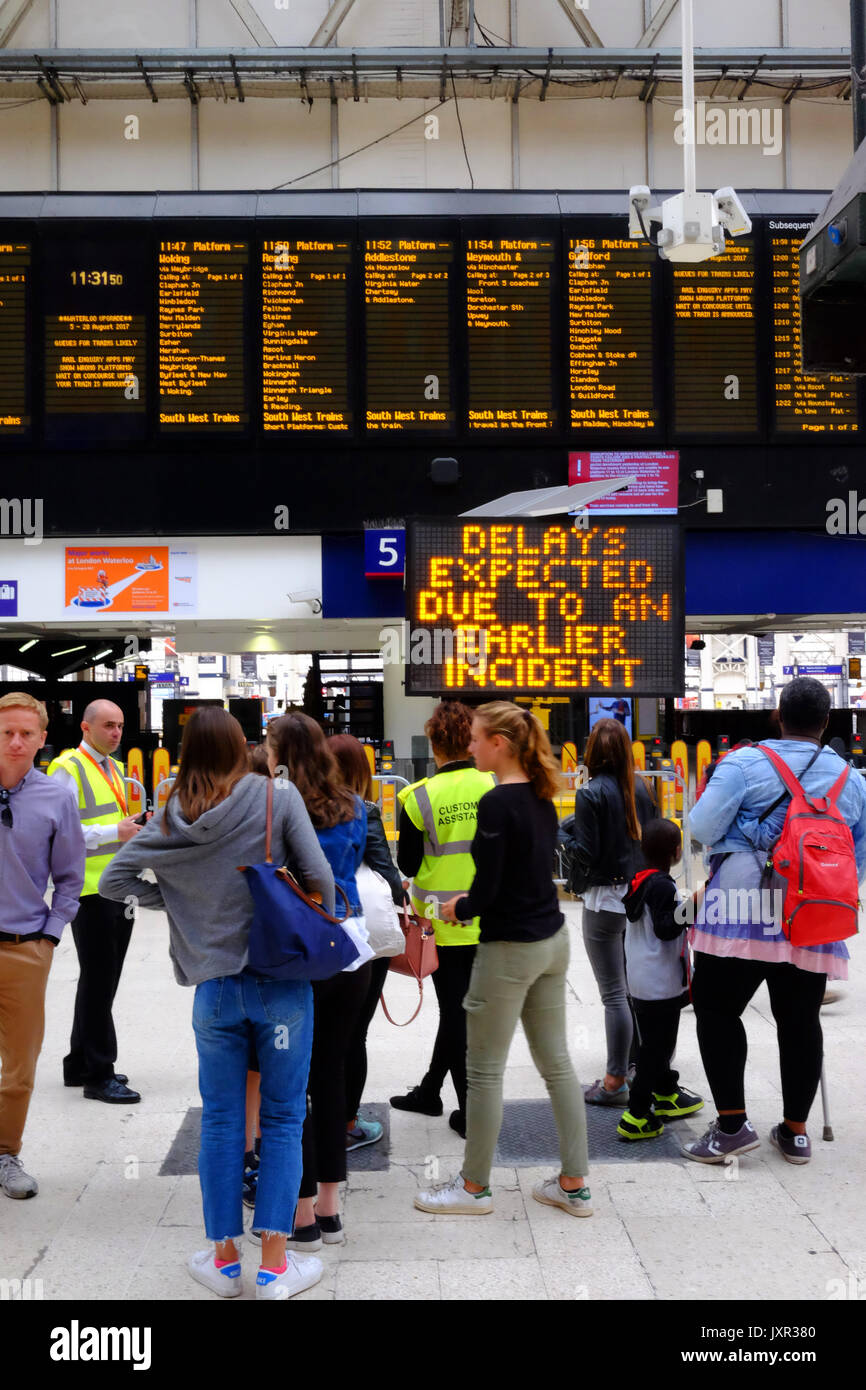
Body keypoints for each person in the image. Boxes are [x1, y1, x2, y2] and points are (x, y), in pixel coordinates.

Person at [99, 706, 334, 1300]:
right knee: (282, 1118)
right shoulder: (275, 799)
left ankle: (226, 1261)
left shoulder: (171, 816)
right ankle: (277, 1267)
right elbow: (322, 881)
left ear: (185, 751)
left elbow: (113, 881)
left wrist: (178, 906)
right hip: (280, 984)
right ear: (239, 746)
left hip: (214, 991)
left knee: (224, 1121)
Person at [414, 702, 591, 1219]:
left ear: (501, 744)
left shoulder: (497, 803)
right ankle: (574, 1184)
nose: (468, 747)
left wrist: (458, 906)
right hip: (552, 941)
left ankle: (473, 1189)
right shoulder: (542, 795)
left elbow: (487, 891)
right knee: (557, 1064)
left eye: (475, 739)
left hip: (508, 948)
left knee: (484, 1071)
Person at [683, 677, 866, 1165]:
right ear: (827, 723)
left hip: (741, 907)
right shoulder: (852, 781)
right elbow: (858, 857)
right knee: (800, 1018)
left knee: (719, 1010)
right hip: (813, 912)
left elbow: (700, 827)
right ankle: (796, 1131)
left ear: (777, 715)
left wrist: (745, 833)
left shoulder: (743, 763)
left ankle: (731, 1126)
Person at [265, 712, 369, 1251]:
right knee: (330, 1076)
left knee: (291, 1087)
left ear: (279, 750)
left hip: (297, 953)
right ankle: (329, 1208)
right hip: (350, 951)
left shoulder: (276, 806)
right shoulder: (355, 806)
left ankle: (300, 1213)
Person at [391, 702, 495, 1138]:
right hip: (490, 919)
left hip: (441, 925)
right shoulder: (494, 783)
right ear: (471, 742)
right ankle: (431, 1090)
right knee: (459, 1013)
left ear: (433, 745)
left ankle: (471, 1113)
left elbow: (410, 864)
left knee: (455, 1013)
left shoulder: (417, 798)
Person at [0, 693, 85, 1201]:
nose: (15, 742)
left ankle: (6, 1153)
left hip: (25, 948)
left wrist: (50, 935)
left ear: (41, 739)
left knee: (20, 1063)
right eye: (7, 731)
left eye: (26, 734)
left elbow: (70, 879)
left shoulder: (56, 797)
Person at [47, 699, 147, 1103]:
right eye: (108, 726)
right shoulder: (66, 769)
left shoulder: (116, 769)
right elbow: (61, 832)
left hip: (118, 888)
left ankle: (80, 1063)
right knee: (99, 980)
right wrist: (114, 833)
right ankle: (99, 1074)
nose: (116, 733)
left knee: (98, 980)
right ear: (85, 728)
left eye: (121, 726)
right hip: (90, 892)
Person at [570, 718, 658, 1106]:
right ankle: (640, 1064)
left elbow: (586, 853)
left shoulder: (590, 793)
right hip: (638, 897)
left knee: (613, 994)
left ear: (592, 752)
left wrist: (562, 839)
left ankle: (614, 1080)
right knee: (634, 988)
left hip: (603, 901)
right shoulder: (642, 787)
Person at [328, 733, 404, 1151]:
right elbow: (386, 872)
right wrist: (401, 896)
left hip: (317, 929)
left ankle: (313, 1111)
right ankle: (346, 1124)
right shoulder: (364, 810)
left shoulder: (302, 808)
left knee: (322, 1029)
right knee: (354, 1032)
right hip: (361, 932)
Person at [617, 818, 703, 1141]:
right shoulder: (663, 885)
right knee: (656, 1048)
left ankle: (666, 1091)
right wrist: (693, 905)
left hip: (641, 980)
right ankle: (637, 1114)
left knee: (655, 1040)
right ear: (677, 851)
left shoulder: (639, 880)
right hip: (661, 982)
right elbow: (666, 928)